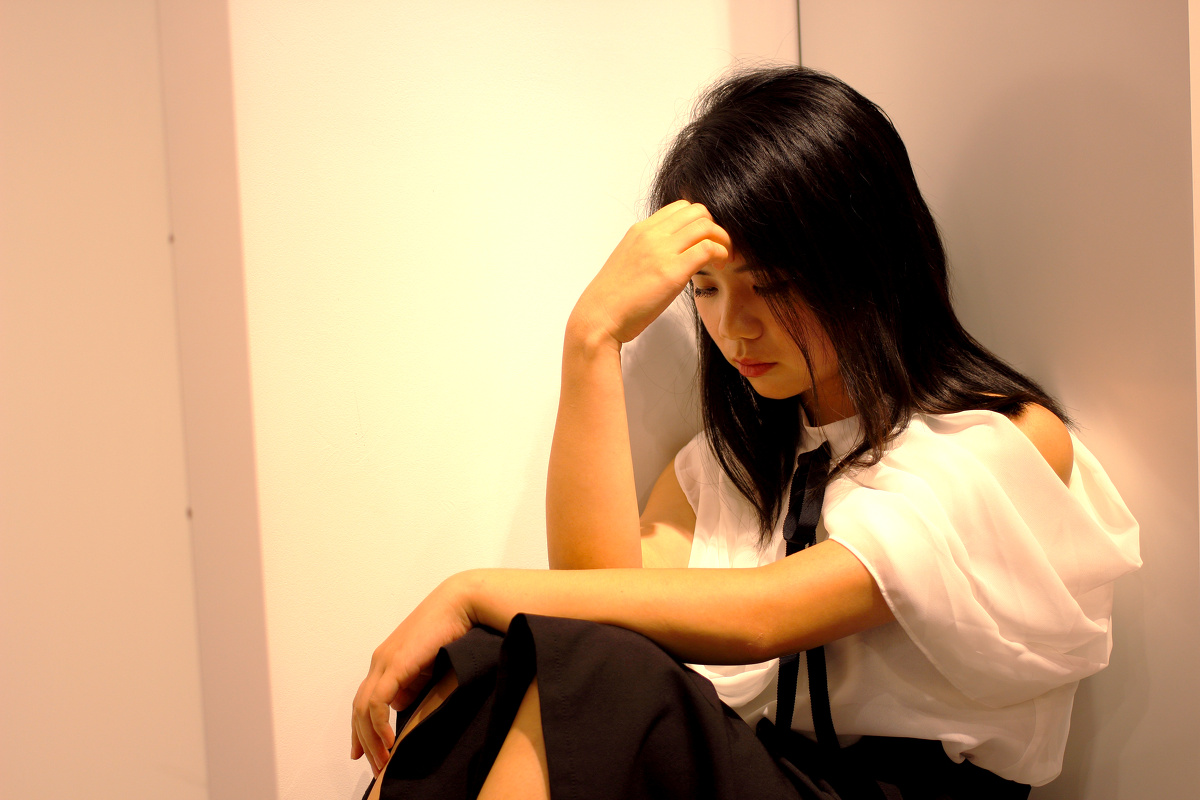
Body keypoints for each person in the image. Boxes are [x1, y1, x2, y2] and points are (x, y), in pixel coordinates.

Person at [350, 67, 1140, 800]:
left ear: (868, 261)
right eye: (705, 288)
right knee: (491, 661)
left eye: (773, 284)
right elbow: (595, 612)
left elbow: (764, 616)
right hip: (768, 772)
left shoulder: (999, 441)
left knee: (587, 666)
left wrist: (469, 590)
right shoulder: (725, 468)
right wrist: (592, 338)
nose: (734, 327)